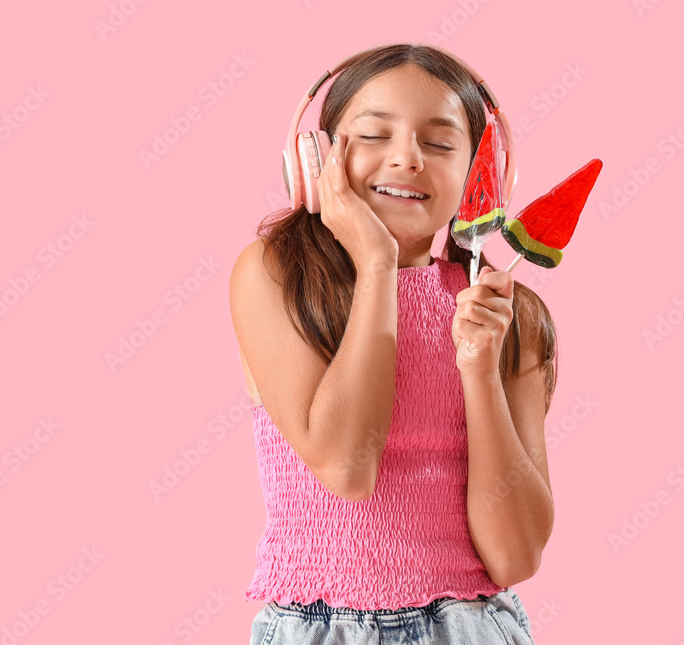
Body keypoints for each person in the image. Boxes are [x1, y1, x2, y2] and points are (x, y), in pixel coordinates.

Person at [229, 43, 557, 644]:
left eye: (438, 143)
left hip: (474, 626)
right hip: (322, 626)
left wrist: (479, 368)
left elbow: (513, 557)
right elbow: (348, 468)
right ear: (316, 161)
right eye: (375, 136)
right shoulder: (276, 276)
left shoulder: (510, 315)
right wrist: (377, 265)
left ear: (484, 175)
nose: (407, 159)